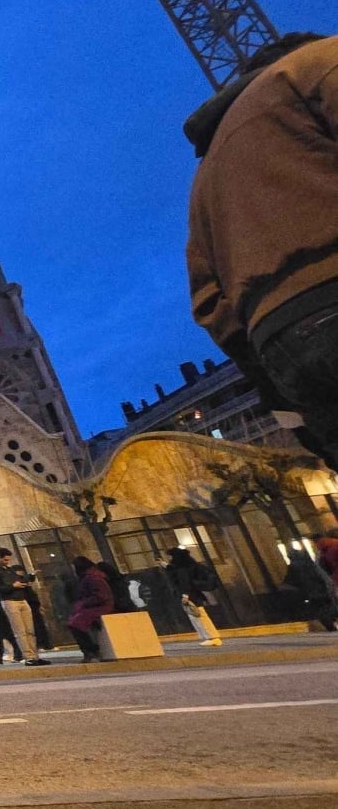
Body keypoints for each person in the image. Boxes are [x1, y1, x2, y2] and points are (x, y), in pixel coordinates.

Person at [183, 32, 338, 470]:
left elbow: (210, 302)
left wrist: (280, 389)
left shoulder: (204, 179)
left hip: (278, 337)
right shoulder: (314, 65)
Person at [0, 548, 50, 666]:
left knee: (30, 630)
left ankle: (34, 655)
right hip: (10, 601)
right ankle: (28, 657)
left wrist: (30, 576)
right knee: (20, 631)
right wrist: (12, 586)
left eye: (8, 559)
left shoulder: (9, 570)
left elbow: (19, 580)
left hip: (21, 599)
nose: (7, 562)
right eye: (5, 560)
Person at [163, 547, 225, 645]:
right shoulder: (187, 565)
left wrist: (185, 595)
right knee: (196, 615)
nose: (169, 559)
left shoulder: (181, 568)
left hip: (190, 595)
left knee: (198, 615)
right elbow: (174, 571)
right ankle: (209, 637)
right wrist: (164, 564)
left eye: (170, 556)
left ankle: (212, 637)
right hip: (194, 593)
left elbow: (184, 582)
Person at [68, 558, 114, 662]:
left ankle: (90, 651)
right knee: (75, 621)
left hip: (101, 607)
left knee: (76, 623)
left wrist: (83, 604)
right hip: (97, 606)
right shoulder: (91, 576)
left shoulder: (92, 578)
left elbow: (101, 596)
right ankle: (90, 650)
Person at [281, 548, 338, 632]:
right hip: (322, 591)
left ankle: (330, 626)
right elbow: (323, 577)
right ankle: (331, 624)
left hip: (311, 593)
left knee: (320, 611)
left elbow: (290, 581)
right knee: (328, 608)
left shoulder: (293, 566)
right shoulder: (311, 564)